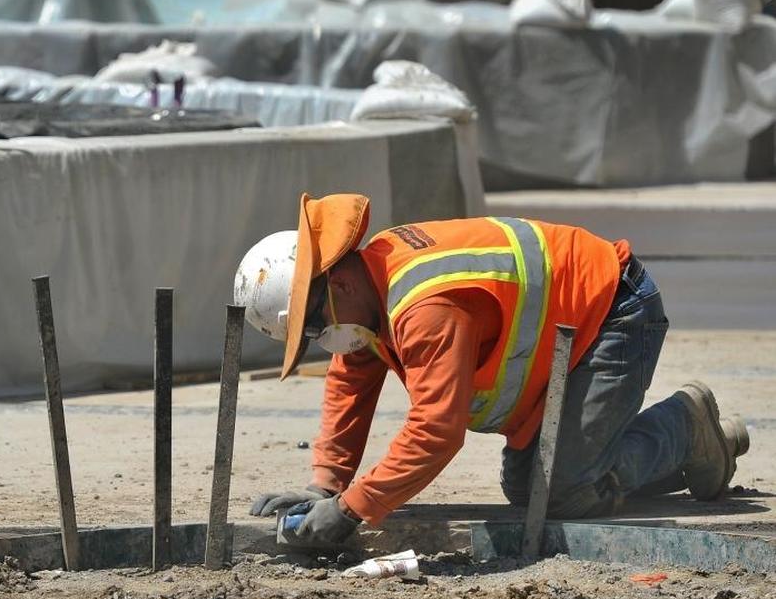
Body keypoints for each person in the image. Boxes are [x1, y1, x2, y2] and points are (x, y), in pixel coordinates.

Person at [233, 193, 749, 546]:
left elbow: (436, 431)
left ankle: (684, 426)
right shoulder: (370, 282)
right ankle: (662, 448)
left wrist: (351, 509)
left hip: (612, 310)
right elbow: (352, 381)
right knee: (531, 491)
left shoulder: (423, 309)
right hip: (563, 325)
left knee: (566, 494)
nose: (325, 343)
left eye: (316, 327)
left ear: (337, 286)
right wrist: (326, 483)